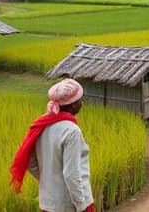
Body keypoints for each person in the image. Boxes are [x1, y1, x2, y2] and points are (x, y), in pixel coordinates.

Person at [10, 79, 95, 212]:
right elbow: (71, 174)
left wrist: (49, 181)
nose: (81, 103)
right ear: (72, 105)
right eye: (79, 100)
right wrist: (81, 206)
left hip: (48, 203)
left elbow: (30, 161)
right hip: (70, 205)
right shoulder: (71, 131)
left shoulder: (41, 125)